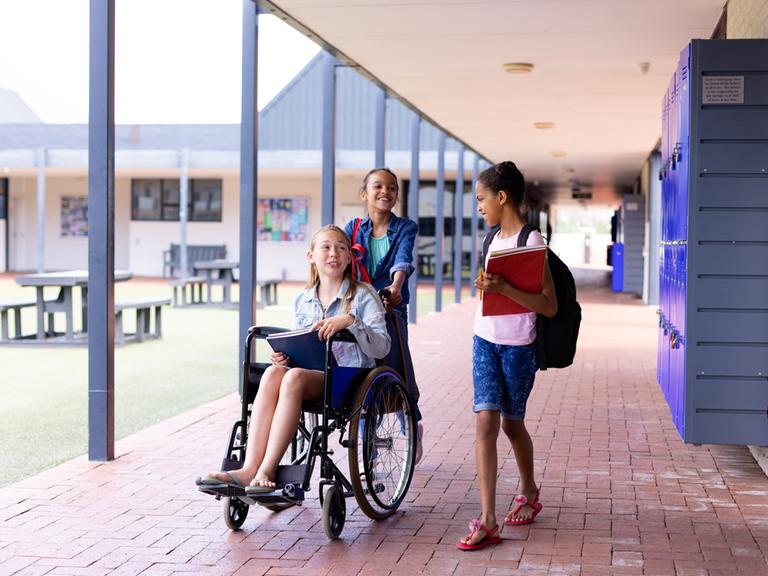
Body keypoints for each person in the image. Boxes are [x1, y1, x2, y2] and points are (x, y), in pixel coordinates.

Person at [197, 225, 390, 494]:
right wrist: (284, 355)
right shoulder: (302, 299)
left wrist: (351, 321)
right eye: (325, 247)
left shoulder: (364, 295)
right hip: (309, 374)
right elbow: (300, 342)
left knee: (294, 377)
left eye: (341, 248)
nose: (333, 253)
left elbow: (382, 347)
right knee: (274, 373)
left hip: (349, 379)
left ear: (349, 258)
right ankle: (249, 467)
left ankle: (267, 470)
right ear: (311, 256)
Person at [457, 161, 558, 551]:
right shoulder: (490, 239)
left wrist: (505, 288)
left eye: (482, 199)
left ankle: (530, 491)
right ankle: (488, 519)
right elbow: (490, 293)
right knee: (485, 420)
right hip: (484, 339)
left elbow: (548, 306)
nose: (480, 207)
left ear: (502, 197)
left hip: (519, 347)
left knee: (512, 426)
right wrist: (487, 286)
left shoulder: (532, 243)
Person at [343, 168, 424, 463]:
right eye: (378, 186)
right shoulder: (352, 228)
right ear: (365, 193)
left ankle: (410, 425)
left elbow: (403, 259)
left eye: (391, 188)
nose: (385, 192)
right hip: (360, 312)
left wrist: (396, 286)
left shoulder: (405, 227)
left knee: (399, 369)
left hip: (392, 309)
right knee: (363, 373)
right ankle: (367, 441)